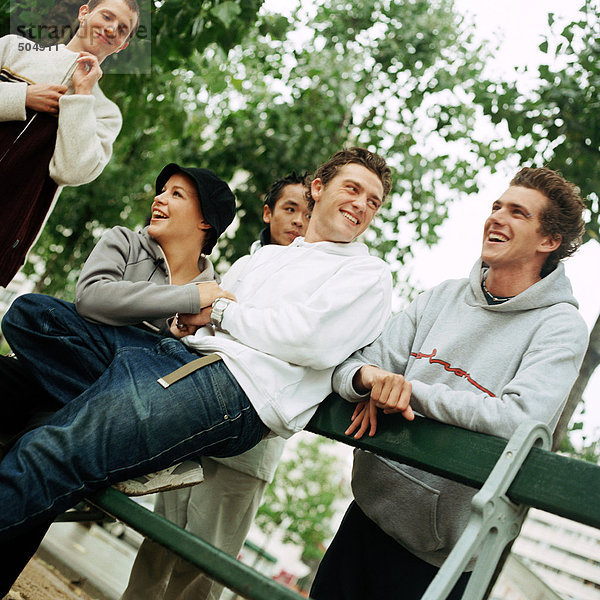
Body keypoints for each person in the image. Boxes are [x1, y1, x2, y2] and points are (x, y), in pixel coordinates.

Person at [0, 147, 393, 592]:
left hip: (233, 388)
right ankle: (156, 448)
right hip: (176, 357)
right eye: (353, 189)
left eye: (373, 201)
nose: (362, 204)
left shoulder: (368, 274)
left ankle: (149, 443)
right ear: (318, 189)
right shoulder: (261, 259)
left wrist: (220, 314)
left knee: (52, 445)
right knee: (38, 316)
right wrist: (189, 320)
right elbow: (204, 314)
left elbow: (308, 340)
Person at [310, 166, 589, 600]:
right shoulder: (442, 296)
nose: (497, 217)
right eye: (497, 206)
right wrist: (372, 381)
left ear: (548, 241)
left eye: (517, 212)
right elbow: (356, 366)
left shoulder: (561, 326)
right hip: (365, 514)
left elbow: (519, 419)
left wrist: (406, 389)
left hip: (440, 561)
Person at [0, 160, 236, 591]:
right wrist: (184, 298)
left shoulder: (216, 296)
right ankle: (139, 442)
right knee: (30, 314)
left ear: (205, 221)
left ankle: (120, 428)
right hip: (77, 368)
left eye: (176, 194)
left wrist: (182, 325)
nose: (159, 199)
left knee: (44, 441)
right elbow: (91, 299)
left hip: (129, 389)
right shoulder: (125, 242)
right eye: (161, 190)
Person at [121, 171, 311, 600]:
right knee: (158, 544)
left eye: (307, 211)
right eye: (289, 208)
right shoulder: (243, 267)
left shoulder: (313, 282)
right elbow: (204, 325)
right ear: (268, 212)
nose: (298, 221)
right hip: (192, 428)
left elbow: (293, 344)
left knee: (202, 567)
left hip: (249, 446)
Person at [0, 0, 140, 286]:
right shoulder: (11, 49)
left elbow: (71, 172)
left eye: (123, 28)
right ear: (84, 13)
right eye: (107, 16)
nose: (112, 28)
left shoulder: (104, 113)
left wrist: (82, 95)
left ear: (122, 45)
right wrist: (23, 97)